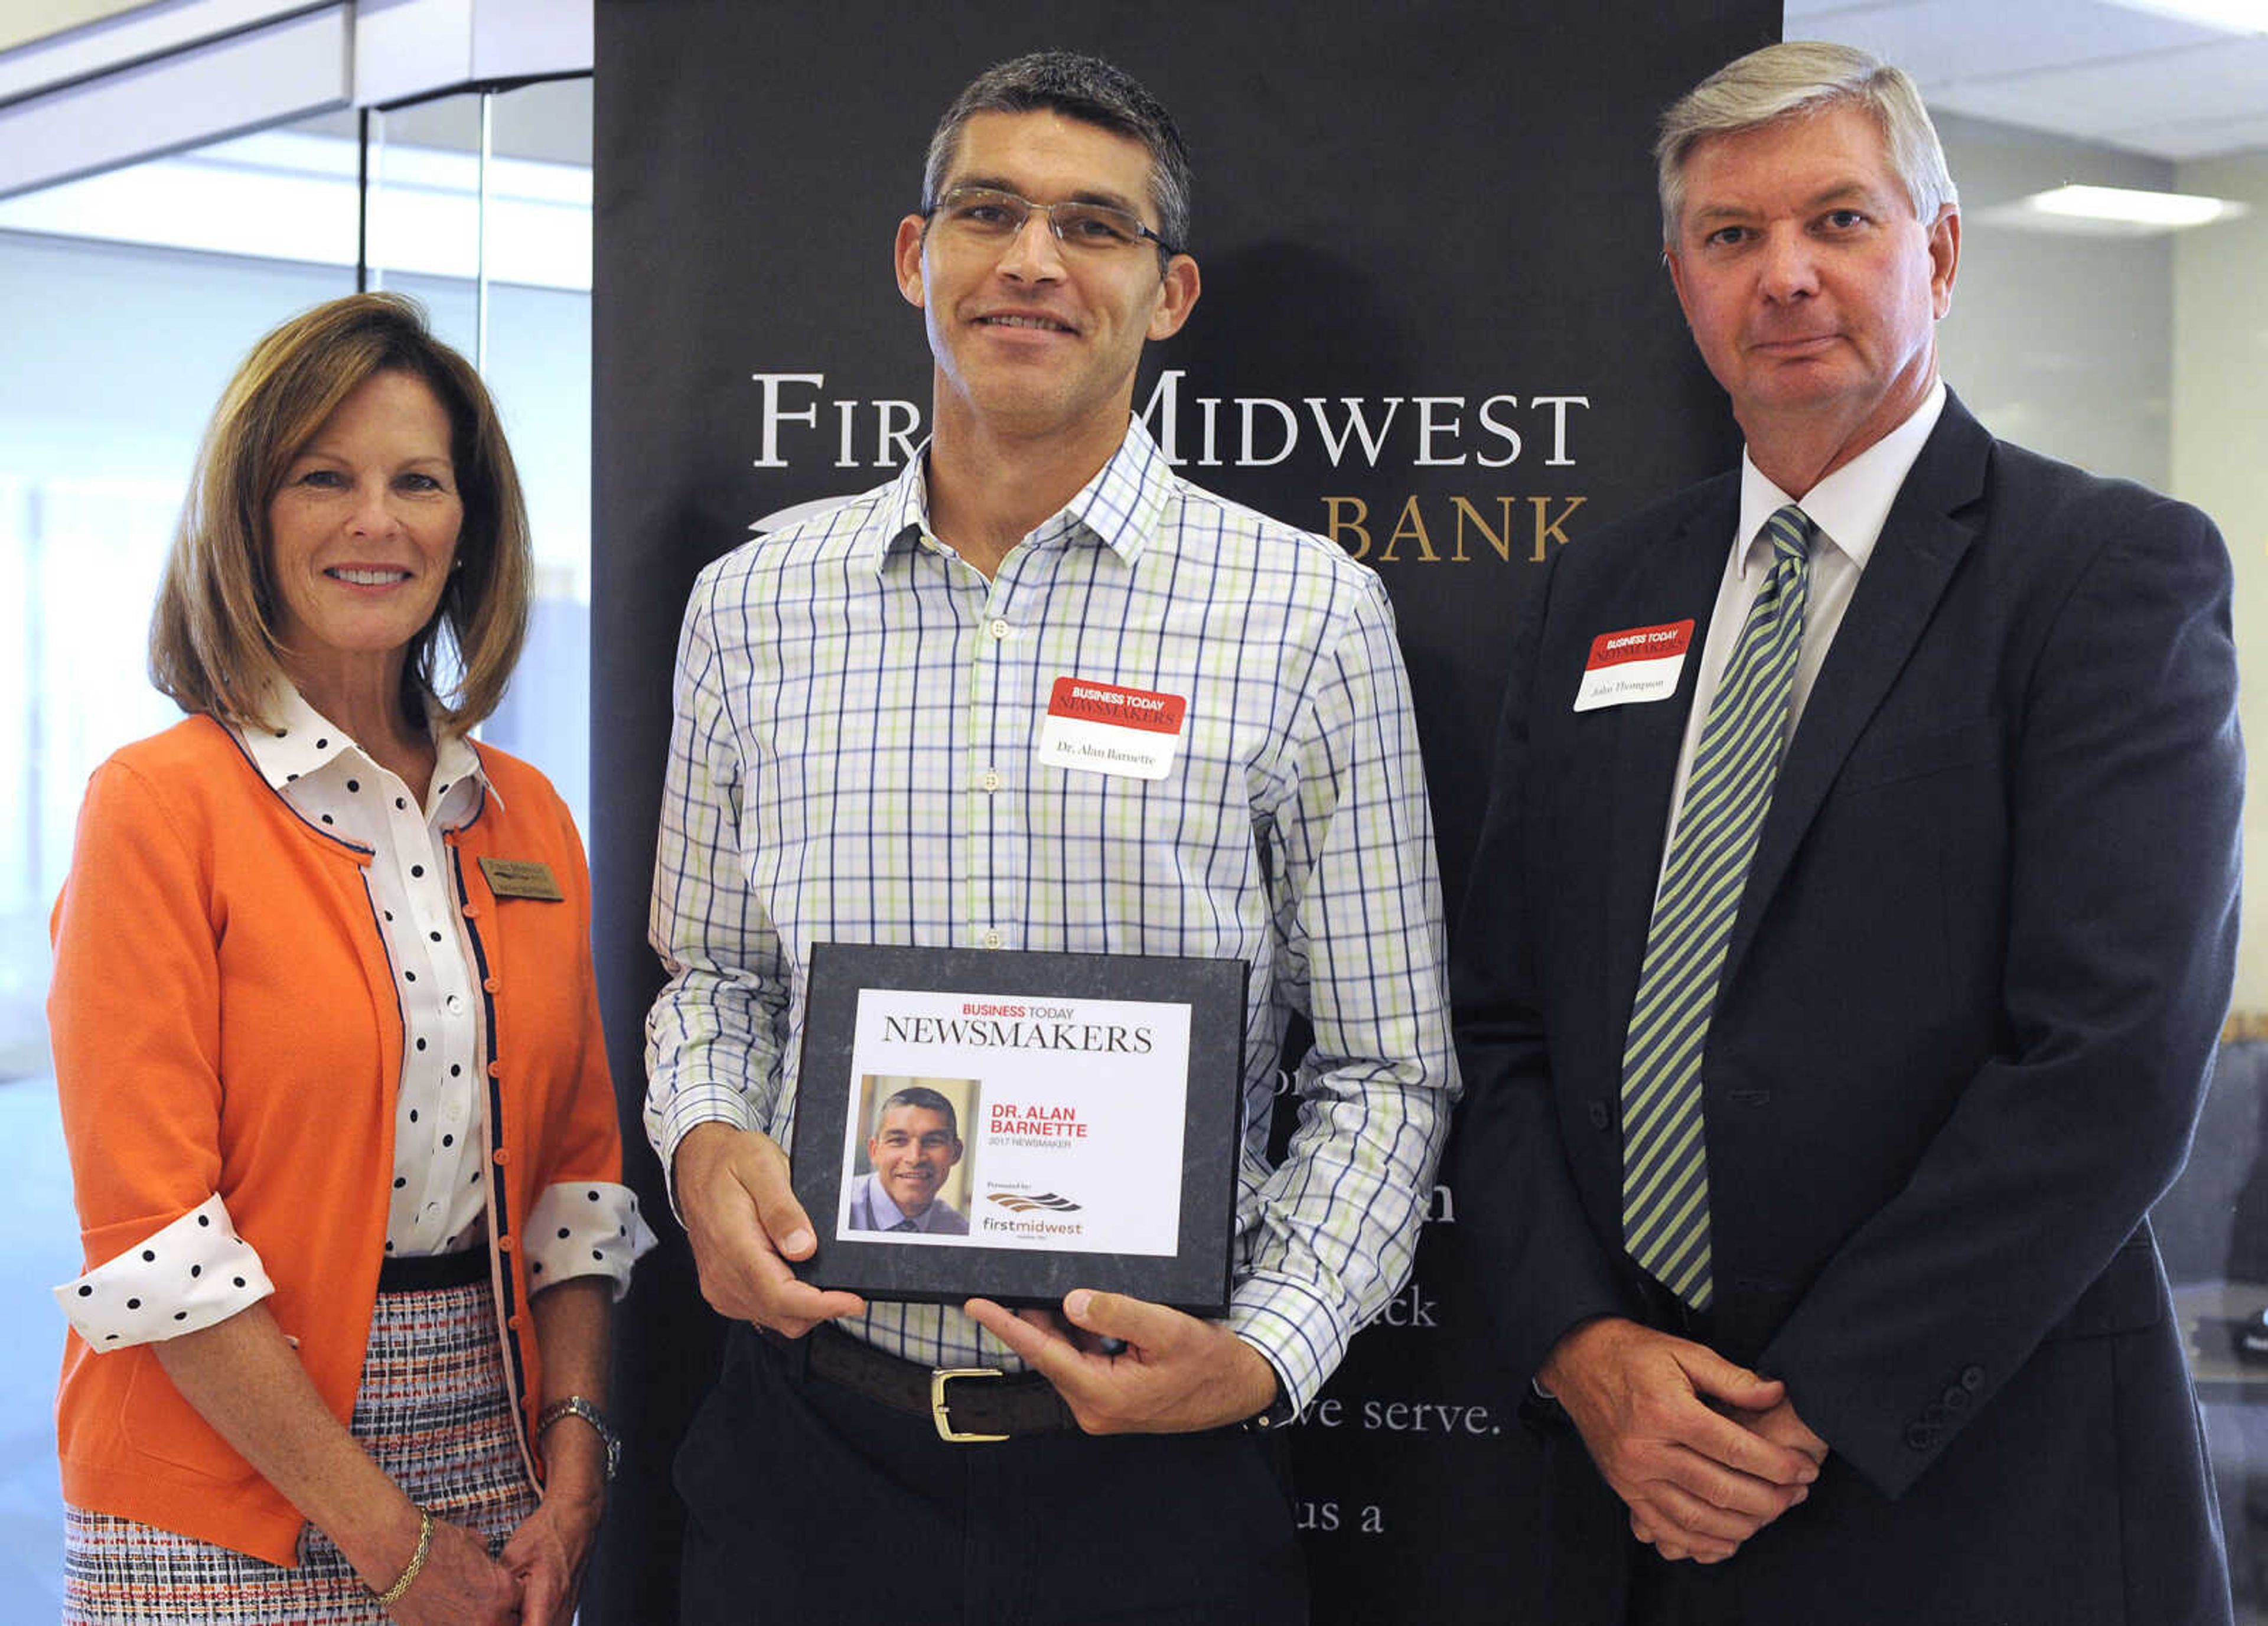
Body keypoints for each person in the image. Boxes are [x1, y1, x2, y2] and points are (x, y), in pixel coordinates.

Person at [647, 48, 1456, 1624]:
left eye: (1093, 227)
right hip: (809, 1456)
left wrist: (1269, 1345)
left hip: (1145, 1496)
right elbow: (715, 978)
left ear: (1169, 295)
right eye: (988, 213)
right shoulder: (752, 604)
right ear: (914, 256)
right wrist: (704, 1144)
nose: (1030, 260)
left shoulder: (1307, 614)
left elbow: (1389, 1066)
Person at [1451, 39, 2241, 1625]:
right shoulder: (1604, 593)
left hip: (1972, 1487)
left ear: (1938, 252)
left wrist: (1799, 1415)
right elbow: (1506, 1024)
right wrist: (1584, 1352)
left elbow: (2107, 1064)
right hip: (1624, 1489)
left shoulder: (2103, 576)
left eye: (1841, 223)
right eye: (1734, 238)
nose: (1787, 277)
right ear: (1683, 282)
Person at [48, 292, 655, 1626]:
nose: (375, 521)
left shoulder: (526, 816)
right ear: (249, 518)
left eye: (417, 482)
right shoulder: (158, 805)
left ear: (467, 527)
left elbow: (574, 1187)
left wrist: (575, 1453)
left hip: (497, 1446)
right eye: (324, 477)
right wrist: (392, 1542)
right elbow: (156, 1241)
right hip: (222, 1469)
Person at [845, 1087, 970, 1235]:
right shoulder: (839, 1208)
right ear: (874, 1151)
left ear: (956, 1153)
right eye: (898, 1140)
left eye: (933, 1141)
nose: (915, 1158)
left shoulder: (960, 1231)